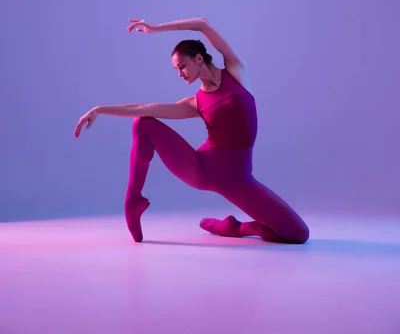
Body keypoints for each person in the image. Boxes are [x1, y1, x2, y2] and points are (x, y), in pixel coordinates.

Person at [74, 17, 309, 244]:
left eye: (182, 66)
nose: (180, 73)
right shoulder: (195, 103)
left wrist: (156, 28)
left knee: (298, 234)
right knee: (142, 123)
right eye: (177, 69)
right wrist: (99, 109)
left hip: (240, 181)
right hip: (202, 169)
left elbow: (202, 24)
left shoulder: (236, 71)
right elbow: (142, 108)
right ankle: (133, 200)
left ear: (198, 58)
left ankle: (234, 227)